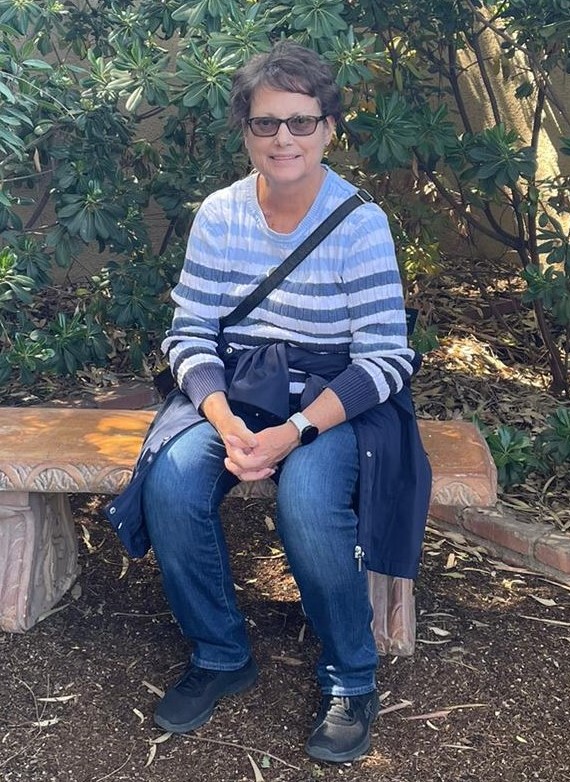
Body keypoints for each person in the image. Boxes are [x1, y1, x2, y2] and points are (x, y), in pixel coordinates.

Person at [106, 39, 431, 764]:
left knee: (310, 503)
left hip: (329, 401)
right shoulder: (220, 215)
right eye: (266, 123)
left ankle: (351, 676)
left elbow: (385, 358)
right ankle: (221, 654)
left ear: (328, 129)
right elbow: (189, 333)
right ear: (246, 131)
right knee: (172, 479)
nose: (283, 138)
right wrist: (222, 420)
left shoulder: (361, 223)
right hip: (235, 389)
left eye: (301, 121)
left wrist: (291, 432)